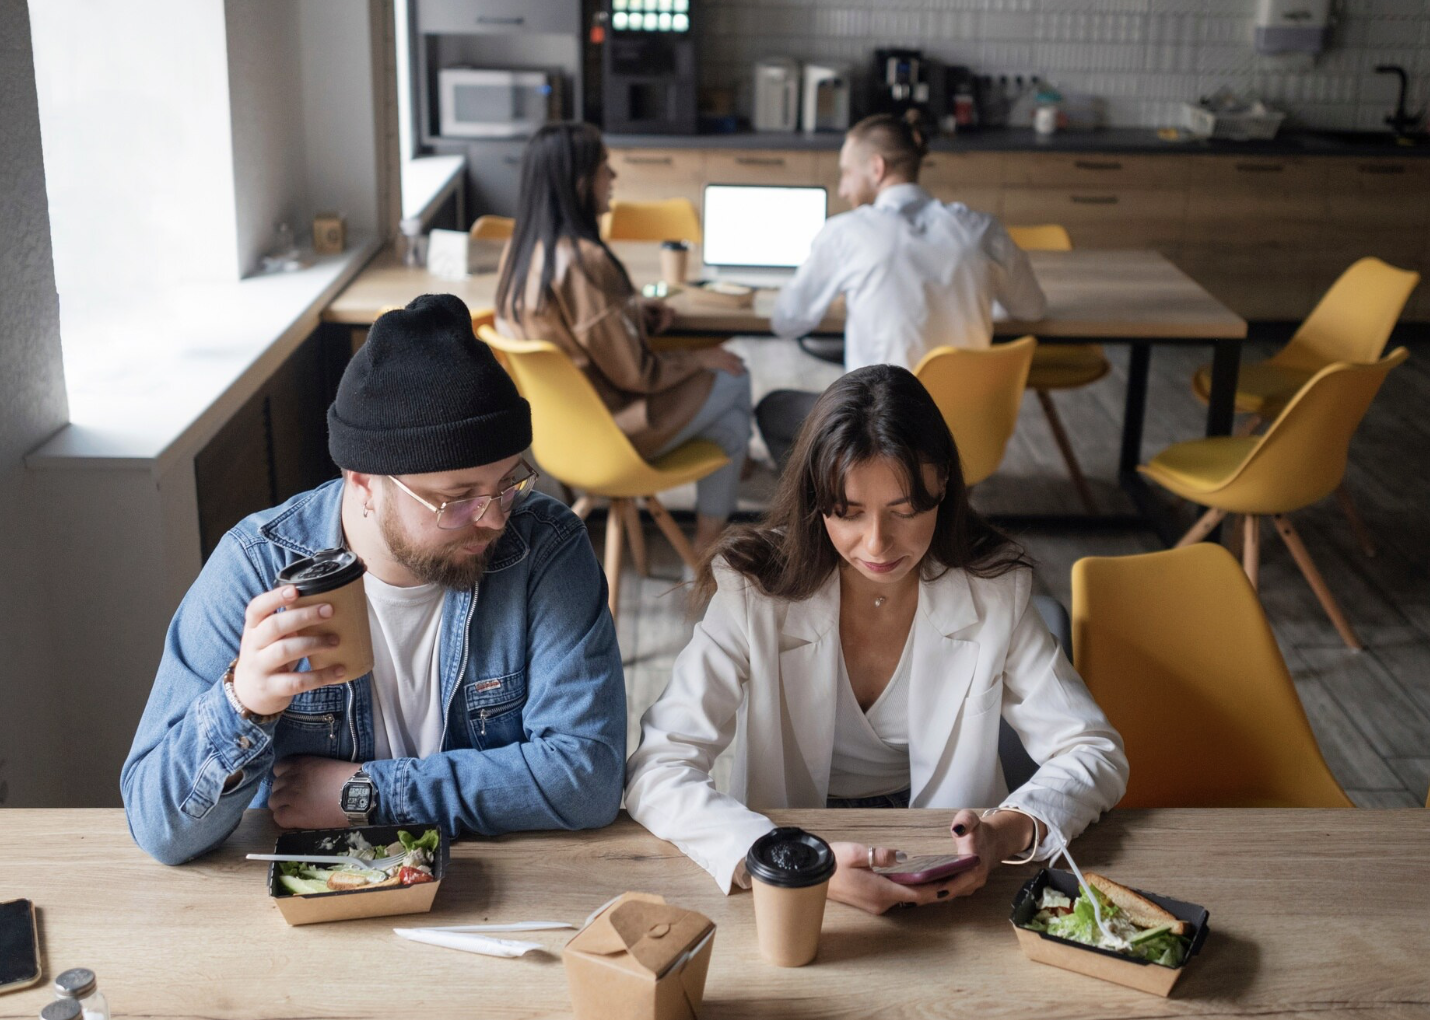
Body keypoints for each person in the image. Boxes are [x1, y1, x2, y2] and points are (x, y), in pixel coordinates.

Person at [122, 294, 627, 865]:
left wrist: (367, 794)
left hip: (493, 892)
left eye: (508, 484)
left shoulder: (545, 546)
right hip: (314, 906)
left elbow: (589, 777)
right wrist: (246, 703)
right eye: (456, 500)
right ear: (362, 481)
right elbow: (159, 828)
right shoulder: (257, 567)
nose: (492, 520)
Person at [625, 365, 1127, 914]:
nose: (877, 543)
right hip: (791, 862)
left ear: (944, 488)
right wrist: (791, 862)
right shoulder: (754, 592)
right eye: (848, 513)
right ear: (817, 503)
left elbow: (1093, 749)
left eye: (905, 511)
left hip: (950, 875)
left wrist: (1006, 834)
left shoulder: (994, 591)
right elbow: (658, 767)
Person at [495, 122, 752, 555]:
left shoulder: (520, 255)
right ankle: (712, 541)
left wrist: (630, 314)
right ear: (580, 183)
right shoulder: (585, 262)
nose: (612, 178)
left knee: (732, 428)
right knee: (734, 374)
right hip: (613, 433)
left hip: (557, 435)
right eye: (604, 169)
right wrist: (699, 357)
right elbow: (637, 374)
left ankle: (717, 520)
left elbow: (581, 334)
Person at [757, 113, 1048, 466]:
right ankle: (940, 504)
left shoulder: (847, 233)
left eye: (847, 173)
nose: (844, 188)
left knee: (774, 408)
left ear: (876, 168)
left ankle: (827, 509)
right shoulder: (981, 228)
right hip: (964, 435)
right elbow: (1031, 310)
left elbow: (787, 321)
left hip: (879, 438)